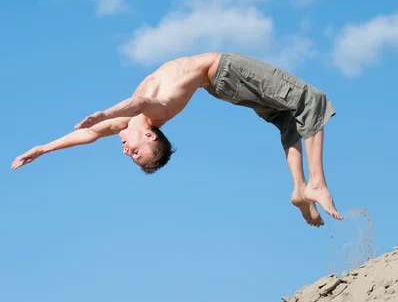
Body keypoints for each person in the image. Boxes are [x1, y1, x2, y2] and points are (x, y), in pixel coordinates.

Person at [11, 52, 342, 226]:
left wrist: (42, 149)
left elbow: (86, 135)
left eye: (133, 154)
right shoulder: (158, 109)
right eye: (137, 153)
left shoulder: (126, 123)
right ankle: (317, 183)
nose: (127, 151)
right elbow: (136, 104)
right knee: (311, 99)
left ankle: (299, 187)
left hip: (221, 84)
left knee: (286, 116)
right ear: (151, 133)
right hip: (224, 70)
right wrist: (102, 113)